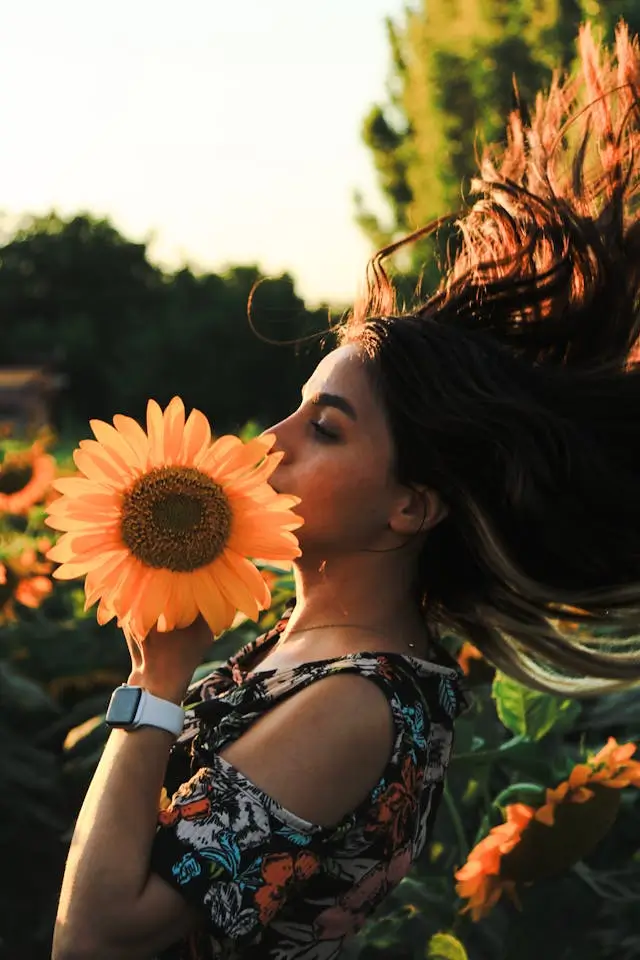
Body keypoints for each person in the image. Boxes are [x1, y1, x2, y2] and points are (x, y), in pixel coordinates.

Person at [52, 22, 640, 960]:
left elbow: (96, 940)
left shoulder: (355, 703)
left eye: (324, 428)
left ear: (413, 506)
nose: (270, 441)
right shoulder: (314, 654)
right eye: (294, 408)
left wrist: (155, 684)